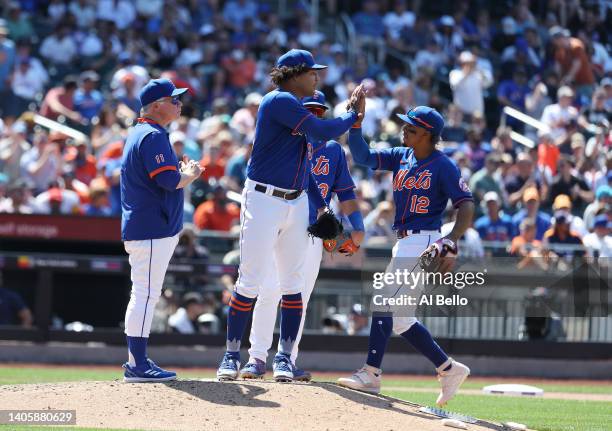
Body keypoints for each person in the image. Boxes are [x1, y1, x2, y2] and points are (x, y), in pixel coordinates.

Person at [216, 49, 364, 382]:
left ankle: (283, 358)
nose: (316, 77)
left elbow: (307, 172)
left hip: (296, 202)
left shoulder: (297, 112)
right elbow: (325, 130)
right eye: (311, 72)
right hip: (263, 199)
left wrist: (321, 206)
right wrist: (353, 114)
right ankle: (231, 356)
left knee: (292, 285)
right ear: (294, 73)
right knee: (251, 281)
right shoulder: (278, 101)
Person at [339, 104, 474, 407]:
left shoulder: (443, 165)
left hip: (424, 242)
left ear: (428, 134)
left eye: (411, 128)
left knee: (384, 301)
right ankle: (448, 368)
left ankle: (371, 372)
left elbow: (466, 204)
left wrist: (451, 239)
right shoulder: (402, 155)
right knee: (400, 319)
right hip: (404, 242)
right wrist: (356, 124)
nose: (404, 130)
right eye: (405, 126)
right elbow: (363, 157)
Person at [121, 78, 203, 383]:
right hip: (151, 226)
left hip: (148, 225)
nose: (179, 103)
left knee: (144, 293)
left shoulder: (143, 132)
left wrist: (182, 173)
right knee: (144, 294)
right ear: (156, 105)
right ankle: (137, 364)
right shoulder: (152, 135)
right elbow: (169, 181)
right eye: (174, 99)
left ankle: (137, 360)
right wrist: (190, 174)